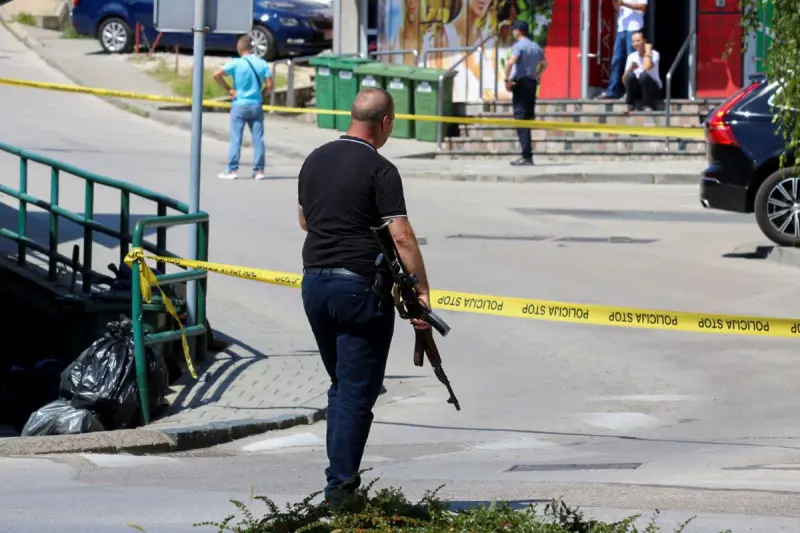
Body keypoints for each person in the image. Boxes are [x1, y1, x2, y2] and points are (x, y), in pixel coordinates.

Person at [296, 88, 432, 505]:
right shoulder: (381, 169)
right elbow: (401, 236)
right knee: (357, 392)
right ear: (385, 122)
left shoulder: (314, 159)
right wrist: (421, 292)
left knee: (342, 386)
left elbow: (305, 221)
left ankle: (339, 484)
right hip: (359, 289)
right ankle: (340, 492)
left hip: (315, 284)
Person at [212, 35, 274, 180]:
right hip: (256, 105)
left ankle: (232, 170)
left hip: (239, 104)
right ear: (252, 48)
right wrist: (261, 94)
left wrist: (229, 90)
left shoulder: (236, 63)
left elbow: (216, 75)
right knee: (258, 139)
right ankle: (259, 171)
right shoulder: (262, 64)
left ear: (239, 48)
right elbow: (270, 85)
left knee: (236, 139)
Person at [503, 19, 548, 166]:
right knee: (527, 118)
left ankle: (526, 156)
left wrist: (506, 79)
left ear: (518, 31)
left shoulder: (519, 46)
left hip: (521, 84)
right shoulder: (535, 47)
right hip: (531, 84)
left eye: (514, 29)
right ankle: (527, 154)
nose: (513, 32)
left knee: (520, 118)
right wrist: (538, 75)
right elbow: (545, 64)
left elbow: (510, 62)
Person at [597, 0, 648, 100]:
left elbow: (643, 7)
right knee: (616, 60)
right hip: (621, 29)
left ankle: (631, 92)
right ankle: (611, 91)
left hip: (634, 28)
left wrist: (625, 4)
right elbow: (617, 9)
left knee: (633, 61)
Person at [622, 30, 662, 112]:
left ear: (645, 41)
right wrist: (630, 69)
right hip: (638, 90)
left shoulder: (655, 54)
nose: (635, 44)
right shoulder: (631, 56)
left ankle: (647, 104)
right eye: (633, 41)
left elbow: (647, 67)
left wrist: (648, 51)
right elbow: (624, 80)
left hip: (653, 89)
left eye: (638, 41)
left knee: (643, 76)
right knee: (629, 75)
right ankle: (630, 104)